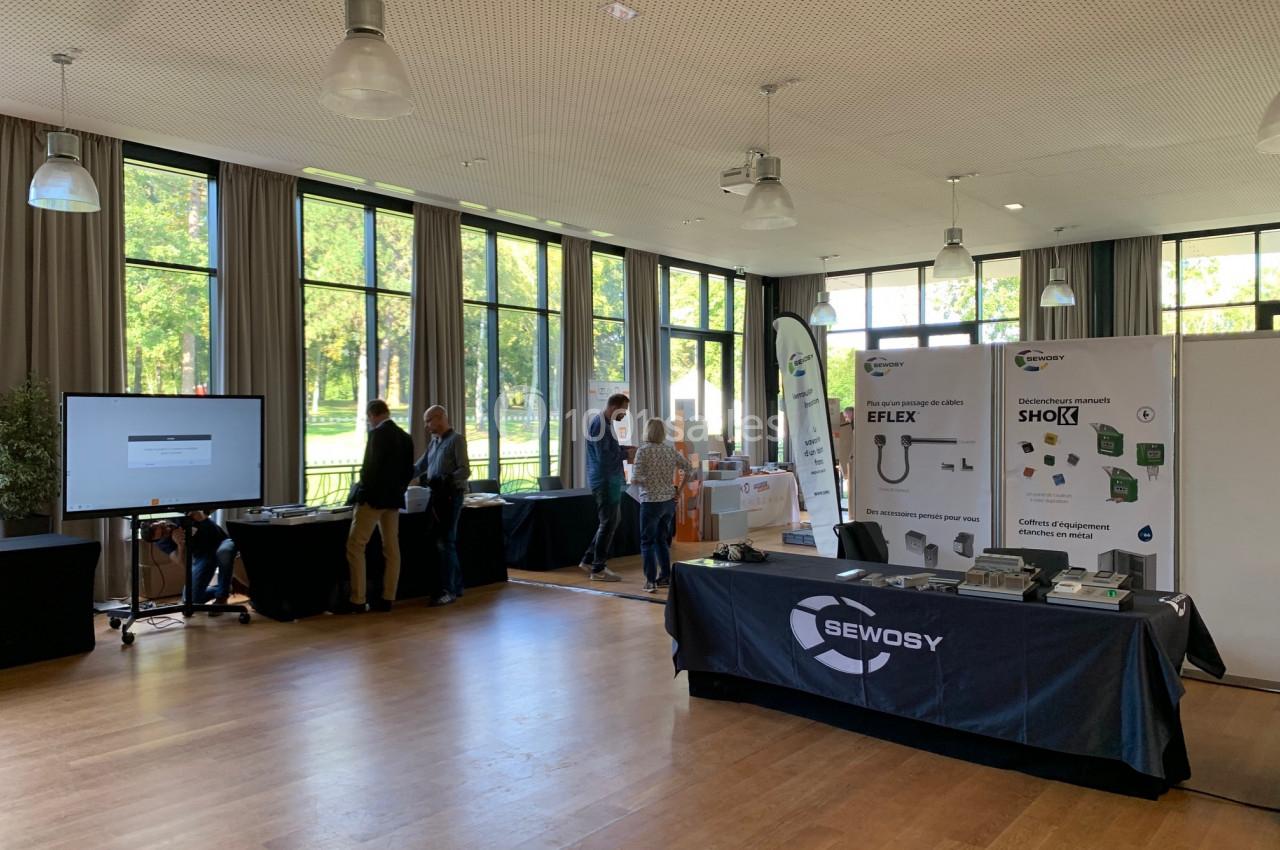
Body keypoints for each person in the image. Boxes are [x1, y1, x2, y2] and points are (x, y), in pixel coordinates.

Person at [342, 399, 415, 614]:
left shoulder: (377, 435)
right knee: (392, 548)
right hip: (393, 501)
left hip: (373, 500)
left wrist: (363, 492)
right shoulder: (405, 437)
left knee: (356, 546)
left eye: (368, 418)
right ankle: (387, 598)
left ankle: (358, 599)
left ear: (373, 415)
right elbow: (408, 472)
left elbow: (369, 470)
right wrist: (398, 491)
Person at [415, 405, 470, 607]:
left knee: (446, 541)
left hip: (451, 497)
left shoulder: (456, 440)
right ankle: (456, 586)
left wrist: (445, 479)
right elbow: (420, 466)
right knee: (443, 542)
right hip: (436, 497)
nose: (426, 426)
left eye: (429, 421)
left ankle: (450, 590)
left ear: (440, 418)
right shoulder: (434, 442)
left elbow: (465, 470)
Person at [632, 418, 693, 592]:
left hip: (650, 502)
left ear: (647, 432)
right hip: (668, 502)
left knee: (647, 542)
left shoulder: (642, 452)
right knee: (662, 540)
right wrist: (679, 491)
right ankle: (665, 576)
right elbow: (689, 468)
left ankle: (650, 581)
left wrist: (644, 480)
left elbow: (635, 478)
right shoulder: (669, 450)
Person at [578, 393, 634, 582]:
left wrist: (624, 449)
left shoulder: (604, 424)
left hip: (608, 480)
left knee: (610, 521)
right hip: (605, 481)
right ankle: (598, 569)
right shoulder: (600, 425)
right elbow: (604, 458)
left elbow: (608, 451)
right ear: (613, 407)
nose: (625, 415)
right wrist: (627, 455)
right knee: (608, 522)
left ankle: (589, 560)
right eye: (623, 410)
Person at [149, 510, 236, 613]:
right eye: (163, 534)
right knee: (189, 601)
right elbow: (183, 564)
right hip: (203, 555)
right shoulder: (161, 542)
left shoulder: (176, 514)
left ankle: (222, 597)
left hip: (221, 541)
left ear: (158, 520)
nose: (167, 530)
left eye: (163, 526)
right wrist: (180, 545)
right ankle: (224, 588)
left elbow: (215, 532)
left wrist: (202, 519)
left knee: (224, 552)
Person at [837, 405, 856, 510]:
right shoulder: (852, 425)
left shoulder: (855, 425)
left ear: (850, 413)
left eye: (846, 416)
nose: (846, 419)